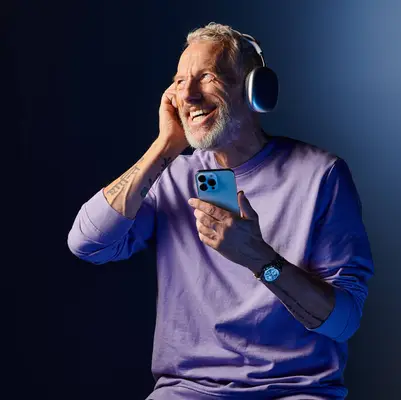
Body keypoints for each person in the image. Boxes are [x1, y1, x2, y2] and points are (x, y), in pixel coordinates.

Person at [67, 22, 374, 400]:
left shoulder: (320, 175)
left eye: (207, 77)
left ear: (253, 89)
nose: (190, 95)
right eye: (180, 82)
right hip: (187, 390)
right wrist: (164, 148)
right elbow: (86, 244)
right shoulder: (170, 175)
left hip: (295, 390)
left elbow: (343, 322)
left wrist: (260, 259)